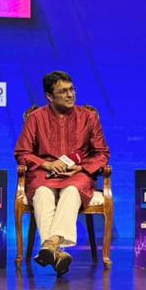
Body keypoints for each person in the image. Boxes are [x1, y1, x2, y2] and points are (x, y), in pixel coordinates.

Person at [14, 71, 110, 276]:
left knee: (72, 191)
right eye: (63, 91)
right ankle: (57, 254)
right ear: (49, 96)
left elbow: (102, 153)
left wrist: (81, 168)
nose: (70, 95)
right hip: (44, 173)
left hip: (77, 173)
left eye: (72, 89)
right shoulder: (36, 118)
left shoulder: (88, 117)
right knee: (42, 193)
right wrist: (46, 164)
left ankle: (51, 243)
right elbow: (22, 153)